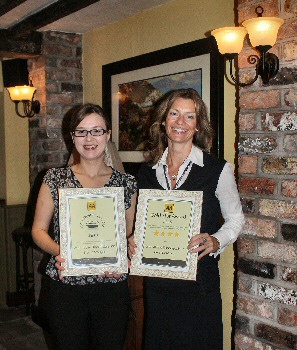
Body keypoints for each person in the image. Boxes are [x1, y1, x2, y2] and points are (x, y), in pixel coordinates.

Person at [128, 88, 245, 350]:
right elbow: (142, 225)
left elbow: (236, 219)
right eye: (174, 114)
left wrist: (216, 241)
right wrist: (133, 240)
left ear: (198, 126)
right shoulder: (146, 174)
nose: (180, 122)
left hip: (199, 284)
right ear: (162, 120)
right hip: (158, 284)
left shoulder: (217, 170)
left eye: (189, 116)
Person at [32, 103, 137, 350]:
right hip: (66, 286)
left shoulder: (126, 183)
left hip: (111, 287)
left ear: (108, 135)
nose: (89, 138)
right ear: (73, 137)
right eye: (81, 131)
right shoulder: (54, 179)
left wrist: (125, 258)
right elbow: (38, 230)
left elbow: (130, 234)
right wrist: (61, 251)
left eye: (97, 130)